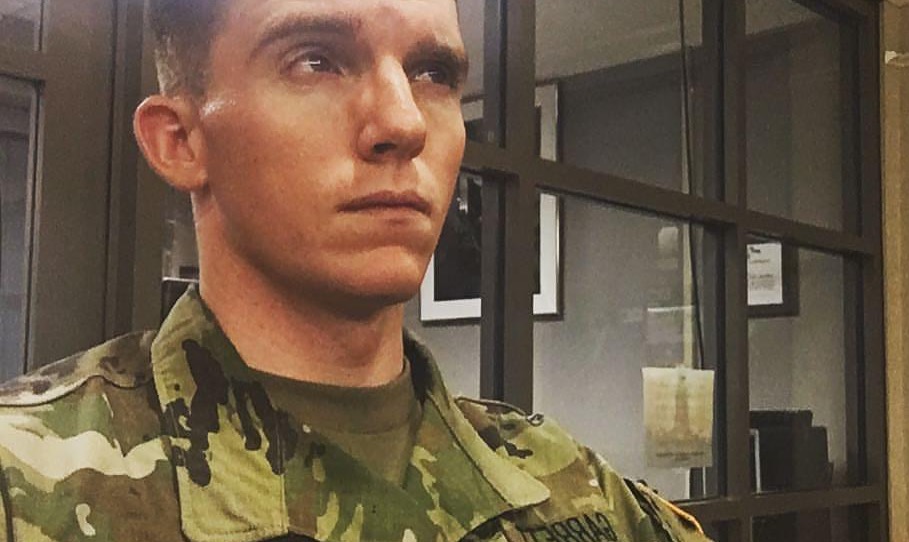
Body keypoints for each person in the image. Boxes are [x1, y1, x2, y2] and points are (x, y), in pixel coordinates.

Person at [0, 1, 713, 540]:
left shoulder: (576, 497)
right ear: (181, 140)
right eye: (316, 60)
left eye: (433, 73)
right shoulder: (28, 486)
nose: (404, 123)